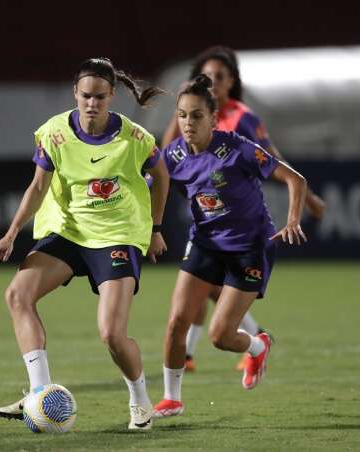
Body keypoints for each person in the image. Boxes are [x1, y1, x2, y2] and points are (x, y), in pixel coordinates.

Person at [0, 57, 169, 431]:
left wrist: (155, 229)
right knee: (17, 295)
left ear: (112, 96)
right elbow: (38, 187)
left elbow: (161, 174)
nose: (92, 103)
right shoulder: (54, 133)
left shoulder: (134, 139)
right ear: (75, 93)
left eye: (100, 97)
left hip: (117, 236)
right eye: (85, 95)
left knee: (112, 335)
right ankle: (40, 393)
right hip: (69, 232)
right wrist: (11, 233)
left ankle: (139, 399)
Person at [161, 45, 325, 372]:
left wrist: (308, 199)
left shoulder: (244, 118)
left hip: (241, 216)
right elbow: (168, 152)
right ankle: (206, 350)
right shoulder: (190, 114)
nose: (212, 81)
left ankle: (247, 339)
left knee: (207, 289)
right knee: (200, 288)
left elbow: (271, 157)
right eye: (205, 76)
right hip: (207, 213)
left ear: (230, 82)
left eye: (218, 77)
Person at [152, 74, 307, 417]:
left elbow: (295, 179)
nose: (187, 123)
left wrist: (293, 219)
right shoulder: (173, 155)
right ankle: (172, 399)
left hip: (249, 246)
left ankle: (256, 345)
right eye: (181, 115)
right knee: (177, 320)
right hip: (205, 243)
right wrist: (151, 226)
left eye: (195, 115)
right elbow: (151, 185)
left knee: (221, 337)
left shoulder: (237, 149)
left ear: (213, 117)